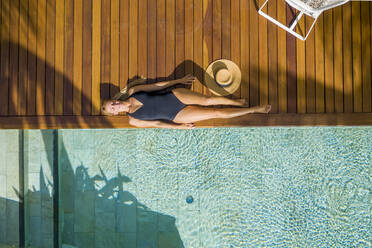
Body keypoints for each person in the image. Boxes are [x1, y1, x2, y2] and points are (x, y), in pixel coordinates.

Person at [101, 74, 271, 129]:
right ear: (115, 113)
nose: (115, 106)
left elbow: (157, 87)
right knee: (215, 113)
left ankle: (237, 103)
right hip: (176, 115)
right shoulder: (133, 120)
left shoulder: (133, 91)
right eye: (113, 109)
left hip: (175, 96)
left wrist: (177, 81)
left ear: (115, 99)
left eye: (112, 103)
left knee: (208, 100)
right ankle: (254, 109)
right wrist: (178, 127)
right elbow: (158, 123)